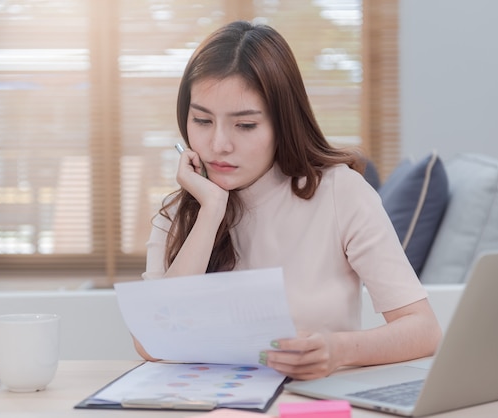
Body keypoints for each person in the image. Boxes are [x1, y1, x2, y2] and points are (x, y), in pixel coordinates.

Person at [137, 20, 441, 381]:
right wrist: (211, 211)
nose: (219, 144)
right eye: (202, 120)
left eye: (245, 125)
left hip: (310, 402)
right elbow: (151, 343)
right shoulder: (179, 211)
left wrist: (338, 349)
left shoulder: (340, 193)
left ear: (283, 122)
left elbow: (423, 329)